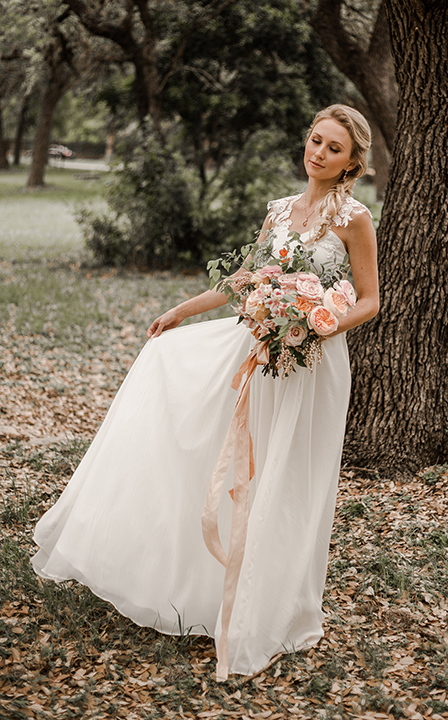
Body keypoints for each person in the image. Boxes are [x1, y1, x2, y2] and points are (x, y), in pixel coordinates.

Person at [32, 104, 379, 681]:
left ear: (352, 162)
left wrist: (315, 323)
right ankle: (209, 589)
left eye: (333, 148)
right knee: (232, 464)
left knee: (288, 477)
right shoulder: (280, 212)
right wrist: (181, 311)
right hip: (257, 349)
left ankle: (275, 607)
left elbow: (369, 299)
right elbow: (244, 280)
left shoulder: (355, 219)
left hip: (312, 360)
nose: (318, 153)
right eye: (315, 141)